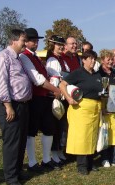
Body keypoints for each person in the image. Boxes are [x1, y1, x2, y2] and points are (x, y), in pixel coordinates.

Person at [0, 29, 32, 185]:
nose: (25, 43)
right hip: (9, 105)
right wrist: (8, 105)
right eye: (23, 40)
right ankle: (10, 177)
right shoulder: (3, 57)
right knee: (12, 142)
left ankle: (17, 170)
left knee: (21, 140)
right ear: (13, 41)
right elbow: (1, 82)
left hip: (22, 105)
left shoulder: (19, 58)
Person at [20, 28, 62, 173]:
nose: (36, 43)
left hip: (45, 97)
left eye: (37, 40)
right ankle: (32, 162)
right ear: (26, 41)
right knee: (31, 131)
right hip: (35, 98)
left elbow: (44, 75)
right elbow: (38, 80)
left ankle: (46, 159)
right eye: (33, 40)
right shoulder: (24, 56)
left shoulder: (35, 56)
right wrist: (55, 89)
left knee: (49, 128)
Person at [59, 50, 102, 175]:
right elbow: (62, 85)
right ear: (83, 60)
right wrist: (68, 98)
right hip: (81, 109)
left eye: (94, 59)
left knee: (92, 135)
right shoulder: (78, 73)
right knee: (82, 137)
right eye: (90, 59)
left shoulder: (97, 75)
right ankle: (81, 165)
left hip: (94, 108)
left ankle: (90, 162)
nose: (93, 61)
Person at [46, 35, 69, 167]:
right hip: (56, 95)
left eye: (61, 44)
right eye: (58, 44)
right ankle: (53, 153)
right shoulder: (52, 60)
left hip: (63, 95)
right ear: (52, 45)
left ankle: (59, 150)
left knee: (62, 125)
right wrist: (57, 92)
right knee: (55, 125)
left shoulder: (61, 60)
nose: (60, 47)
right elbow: (54, 79)